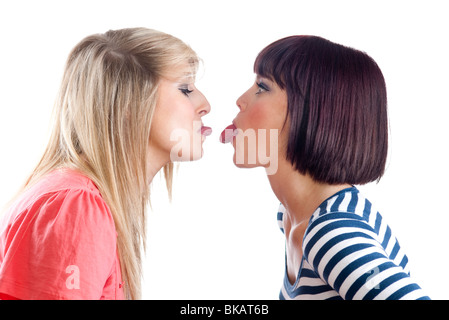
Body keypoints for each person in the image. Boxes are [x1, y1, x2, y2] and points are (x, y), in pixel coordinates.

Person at [0, 27, 211, 300]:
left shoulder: (75, 197)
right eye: (185, 89)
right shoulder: (76, 205)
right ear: (130, 104)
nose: (205, 104)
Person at [220, 35, 430, 300]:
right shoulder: (289, 217)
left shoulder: (332, 232)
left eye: (262, 86)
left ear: (310, 112)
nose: (241, 100)